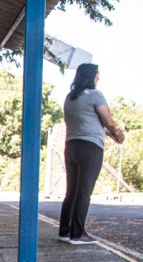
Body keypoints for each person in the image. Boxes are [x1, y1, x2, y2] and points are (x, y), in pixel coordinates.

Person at [58, 63, 124, 245]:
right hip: (90, 148)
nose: (98, 78)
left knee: (71, 191)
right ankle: (78, 234)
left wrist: (108, 133)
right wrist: (117, 133)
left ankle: (65, 231)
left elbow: (85, 122)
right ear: (90, 76)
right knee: (84, 192)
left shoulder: (70, 98)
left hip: (71, 146)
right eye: (97, 74)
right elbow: (109, 122)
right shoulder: (95, 95)